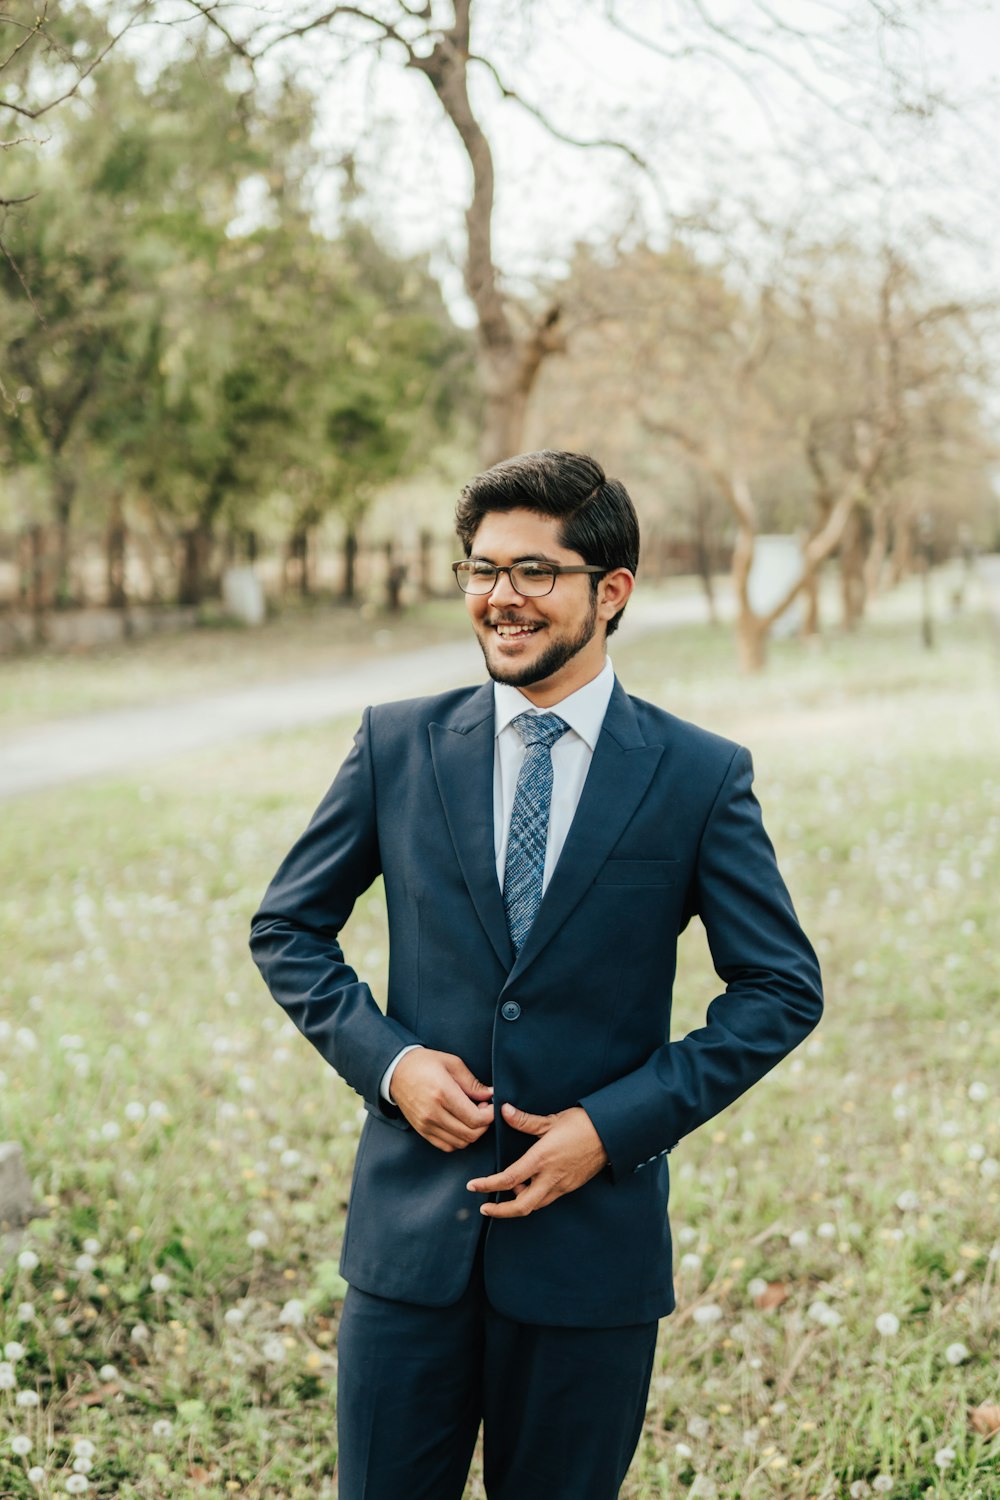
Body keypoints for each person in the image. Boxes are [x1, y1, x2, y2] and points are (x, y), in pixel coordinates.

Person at [249, 450, 823, 1500]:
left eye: (533, 572)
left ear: (611, 592)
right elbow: (288, 927)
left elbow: (781, 987)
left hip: (590, 1257)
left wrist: (613, 1126)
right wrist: (391, 1065)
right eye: (480, 569)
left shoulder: (698, 775)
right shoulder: (396, 745)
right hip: (406, 1249)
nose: (499, 597)